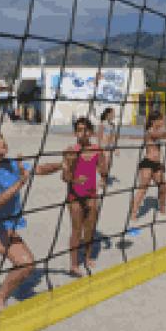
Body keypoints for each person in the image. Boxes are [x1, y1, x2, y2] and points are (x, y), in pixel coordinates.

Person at [0, 127, 62, 315]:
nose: (2, 141)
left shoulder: (13, 164)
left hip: (1, 228)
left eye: (2, 137)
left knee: (26, 263)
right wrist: (20, 182)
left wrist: (63, 164)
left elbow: (40, 168)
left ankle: (0, 296)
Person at [62, 117, 108, 277]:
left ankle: (87, 257)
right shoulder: (71, 151)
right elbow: (64, 176)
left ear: (91, 132)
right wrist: (75, 180)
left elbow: (103, 170)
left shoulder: (97, 150)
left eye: (86, 130)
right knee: (76, 230)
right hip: (74, 195)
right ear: (75, 133)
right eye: (80, 130)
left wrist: (103, 178)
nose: (83, 133)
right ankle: (74, 265)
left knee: (90, 229)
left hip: (91, 194)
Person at [97, 107, 119, 183]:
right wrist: (99, 147)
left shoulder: (113, 125)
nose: (114, 115)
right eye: (113, 114)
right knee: (105, 164)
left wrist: (115, 148)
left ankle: (104, 178)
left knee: (109, 164)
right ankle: (102, 179)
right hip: (103, 146)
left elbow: (113, 137)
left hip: (109, 147)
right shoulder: (103, 123)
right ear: (108, 114)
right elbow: (99, 136)